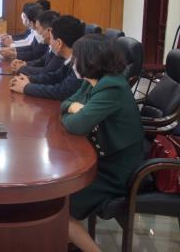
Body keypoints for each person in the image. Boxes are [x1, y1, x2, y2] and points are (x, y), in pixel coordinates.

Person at [61, 34, 144, 252]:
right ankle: (68, 241)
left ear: (88, 60)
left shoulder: (111, 88)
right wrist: (72, 108)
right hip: (102, 157)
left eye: (76, 58)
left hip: (119, 169)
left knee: (59, 203)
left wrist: (73, 111)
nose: (72, 63)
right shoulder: (92, 81)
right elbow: (65, 103)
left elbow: (77, 125)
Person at [10, 15, 85, 100]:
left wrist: (26, 87)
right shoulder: (71, 58)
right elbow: (55, 76)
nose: (50, 43)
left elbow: (62, 91)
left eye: (51, 38)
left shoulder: (81, 64)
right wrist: (30, 79)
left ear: (59, 43)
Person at [11, 10, 64, 76]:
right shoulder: (50, 44)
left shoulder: (58, 48)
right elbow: (42, 61)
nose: (36, 32)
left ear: (49, 30)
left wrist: (22, 68)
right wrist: (25, 64)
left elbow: (47, 71)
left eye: (37, 29)